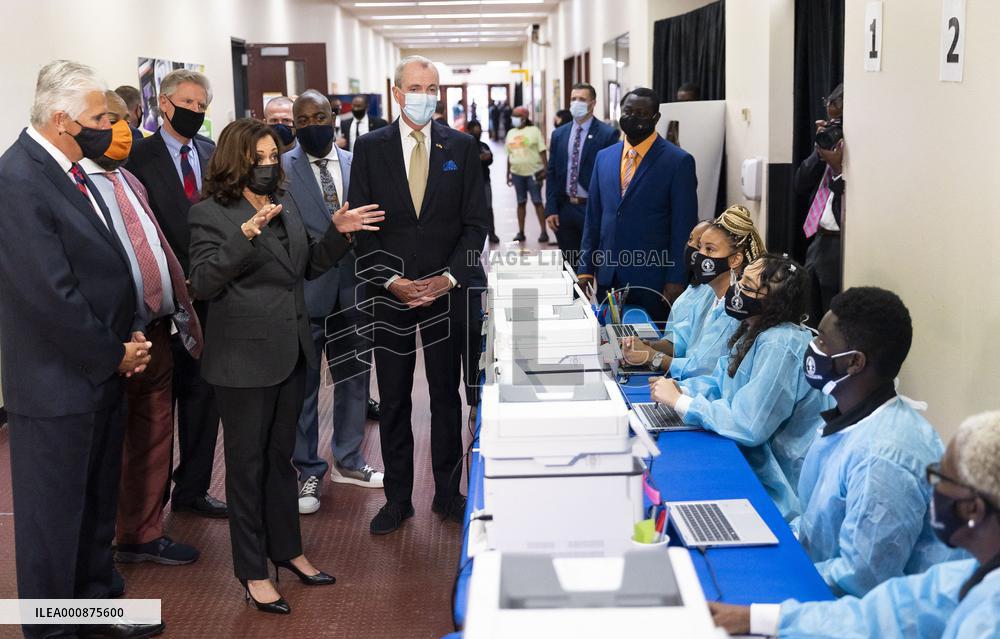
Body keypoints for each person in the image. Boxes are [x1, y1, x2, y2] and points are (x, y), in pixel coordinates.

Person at [187, 118, 384, 613]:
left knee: (282, 462)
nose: (269, 165)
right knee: (247, 468)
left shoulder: (286, 202)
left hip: (291, 352)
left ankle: (288, 550)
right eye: (259, 158)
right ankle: (252, 572)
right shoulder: (210, 213)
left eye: (275, 157)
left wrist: (337, 235)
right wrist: (245, 235)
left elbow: (307, 264)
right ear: (237, 160)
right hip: (242, 362)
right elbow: (203, 282)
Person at [0, 59, 163, 639]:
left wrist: (132, 333)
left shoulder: (71, 171)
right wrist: (112, 352)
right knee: (53, 519)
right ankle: (50, 631)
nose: (109, 127)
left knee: (94, 509)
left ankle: (93, 612)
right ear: (63, 119)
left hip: (98, 372)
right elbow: (51, 295)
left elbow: (105, 261)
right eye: (99, 117)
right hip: (57, 383)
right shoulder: (17, 179)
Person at [349, 55, 489, 535]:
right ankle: (398, 498)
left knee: (446, 397)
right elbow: (362, 228)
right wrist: (392, 280)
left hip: (446, 294)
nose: (425, 94)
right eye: (415, 86)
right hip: (389, 295)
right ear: (396, 91)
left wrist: (448, 279)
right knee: (393, 400)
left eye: (432, 87)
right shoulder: (369, 148)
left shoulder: (463, 148)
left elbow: (476, 225)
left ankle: (449, 493)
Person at [710, 410, 1000, 639]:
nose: (933, 488)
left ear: (971, 508)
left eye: (941, 479)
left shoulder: (990, 615)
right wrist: (756, 619)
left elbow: (865, 578)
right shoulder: (967, 575)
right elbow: (882, 615)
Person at [82, 91, 204, 567]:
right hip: (113, 337)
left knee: (155, 432)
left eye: (127, 120)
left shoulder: (128, 179)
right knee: (111, 441)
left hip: (157, 328)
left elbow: (150, 242)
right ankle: (105, 537)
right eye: (109, 120)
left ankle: (143, 531)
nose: (123, 130)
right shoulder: (75, 187)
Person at [793, 286, 964, 596]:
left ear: (854, 362)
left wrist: (782, 571)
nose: (813, 348)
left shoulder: (884, 457)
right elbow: (817, 528)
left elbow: (861, 579)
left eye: (821, 341)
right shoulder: (855, 419)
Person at [650, 254, 832, 519]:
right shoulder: (753, 331)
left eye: (747, 286)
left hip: (775, 488)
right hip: (746, 460)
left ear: (774, 300)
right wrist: (682, 390)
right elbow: (722, 384)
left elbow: (750, 425)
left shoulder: (780, 344)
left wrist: (683, 403)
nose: (737, 290)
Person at [128, 68, 227, 518]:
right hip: (162, 300)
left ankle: (193, 489)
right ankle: (149, 504)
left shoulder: (211, 152)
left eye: (202, 106)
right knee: (158, 406)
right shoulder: (137, 157)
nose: (195, 112)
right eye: (187, 104)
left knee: (204, 398)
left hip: (210, 295)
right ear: (163, 104)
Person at [287, 90, 385, 516]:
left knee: (353, 381)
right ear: (294, 126)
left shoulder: (356, 163)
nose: (312, 125)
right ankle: (308, 467)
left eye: (319, 117)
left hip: (355, 292)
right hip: (306, 292)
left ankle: (349, 459)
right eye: (303, 120)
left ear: (335, 117)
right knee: (304, 387)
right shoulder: (283, 171)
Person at [578, 87, 698, 322]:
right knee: (610, 343)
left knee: (648, 347)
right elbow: (593, 217)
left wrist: (677, 278)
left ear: (656, 118)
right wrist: (585, 268)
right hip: (609, 275)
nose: (633, 118)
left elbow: (684, 227)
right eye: (628, 111)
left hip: (654, 278)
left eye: (642, 113)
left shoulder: (678, 161)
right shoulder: (605, 157)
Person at [623, 206, 763, 380]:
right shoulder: (708, 294)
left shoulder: (737, 309)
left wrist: (652, 356)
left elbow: (702, 369)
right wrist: (648, 346)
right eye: (700, 247)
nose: (698, 255)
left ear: (734, 259)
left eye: (709, 249)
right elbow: (681, 341)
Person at [545, 83, 619, 267]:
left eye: (582, 99)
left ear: (593, 103)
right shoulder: (559, 134)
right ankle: (573, 297)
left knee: (597, 263)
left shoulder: (607, 134)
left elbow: (611, 177)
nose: (576, 103)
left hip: (592, 208)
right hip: (566, 208)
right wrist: (551, 208)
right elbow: (552, 172)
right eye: (573, 99)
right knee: (570, 266)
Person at [796, 83, 845, 316]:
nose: (836, 127)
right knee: (808, 315)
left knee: (830, 320)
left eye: (840, 122)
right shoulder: (829, 144)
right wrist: (819, 152)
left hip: (841, 246)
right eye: (832, 121)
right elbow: (800, 183)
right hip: (818, 242)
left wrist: (837, 168)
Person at [505, 105, 549, 243]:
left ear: (523, 118)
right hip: (517, 173)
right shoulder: (510, 132)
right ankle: (521, 232)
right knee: (520, 202)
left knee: (537, 202)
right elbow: (509, 155)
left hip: (534, 173)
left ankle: (543, 231)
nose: (513, 119)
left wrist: (546, 169)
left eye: (516, 116)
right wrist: (508, 173)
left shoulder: (534, 131)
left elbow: (542, 151)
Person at [468, 119, 499, 243]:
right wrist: (479, 158)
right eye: (475, 130)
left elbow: (490, 159)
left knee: (488, 208)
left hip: (485, 181)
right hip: (471, 184)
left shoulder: (483, 145)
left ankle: (491, 233)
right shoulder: (466, 146)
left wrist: (485, 157)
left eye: (479, 129)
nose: (478, 132)